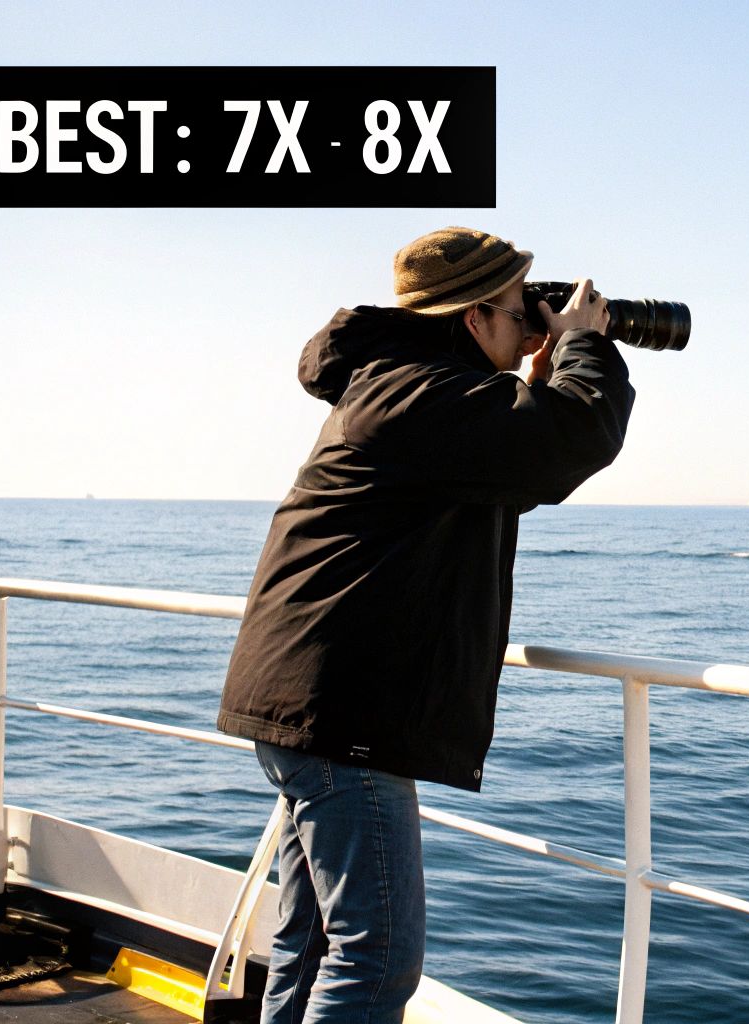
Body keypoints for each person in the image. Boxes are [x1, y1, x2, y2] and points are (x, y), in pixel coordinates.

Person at [217, 226, 635, 1024]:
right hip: (342, 712)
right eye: (522, 314)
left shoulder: (406, 388)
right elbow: (571, 440)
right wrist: (582, 346)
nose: (534, 326)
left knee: (311, 940)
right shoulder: (414, 394)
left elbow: (509, 472)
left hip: (320, 701)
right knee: (377, 955)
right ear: (472, 318)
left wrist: (541, 372)